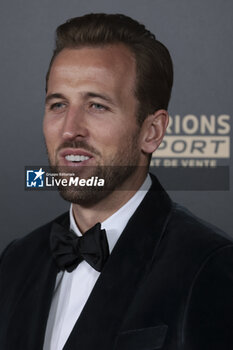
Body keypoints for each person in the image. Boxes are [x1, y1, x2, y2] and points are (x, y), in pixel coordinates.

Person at [0, 13, 232, 350]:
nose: (69, 129)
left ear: (152, 132)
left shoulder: (209, 266)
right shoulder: (15, 262)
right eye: (58, 104)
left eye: (96, 105)